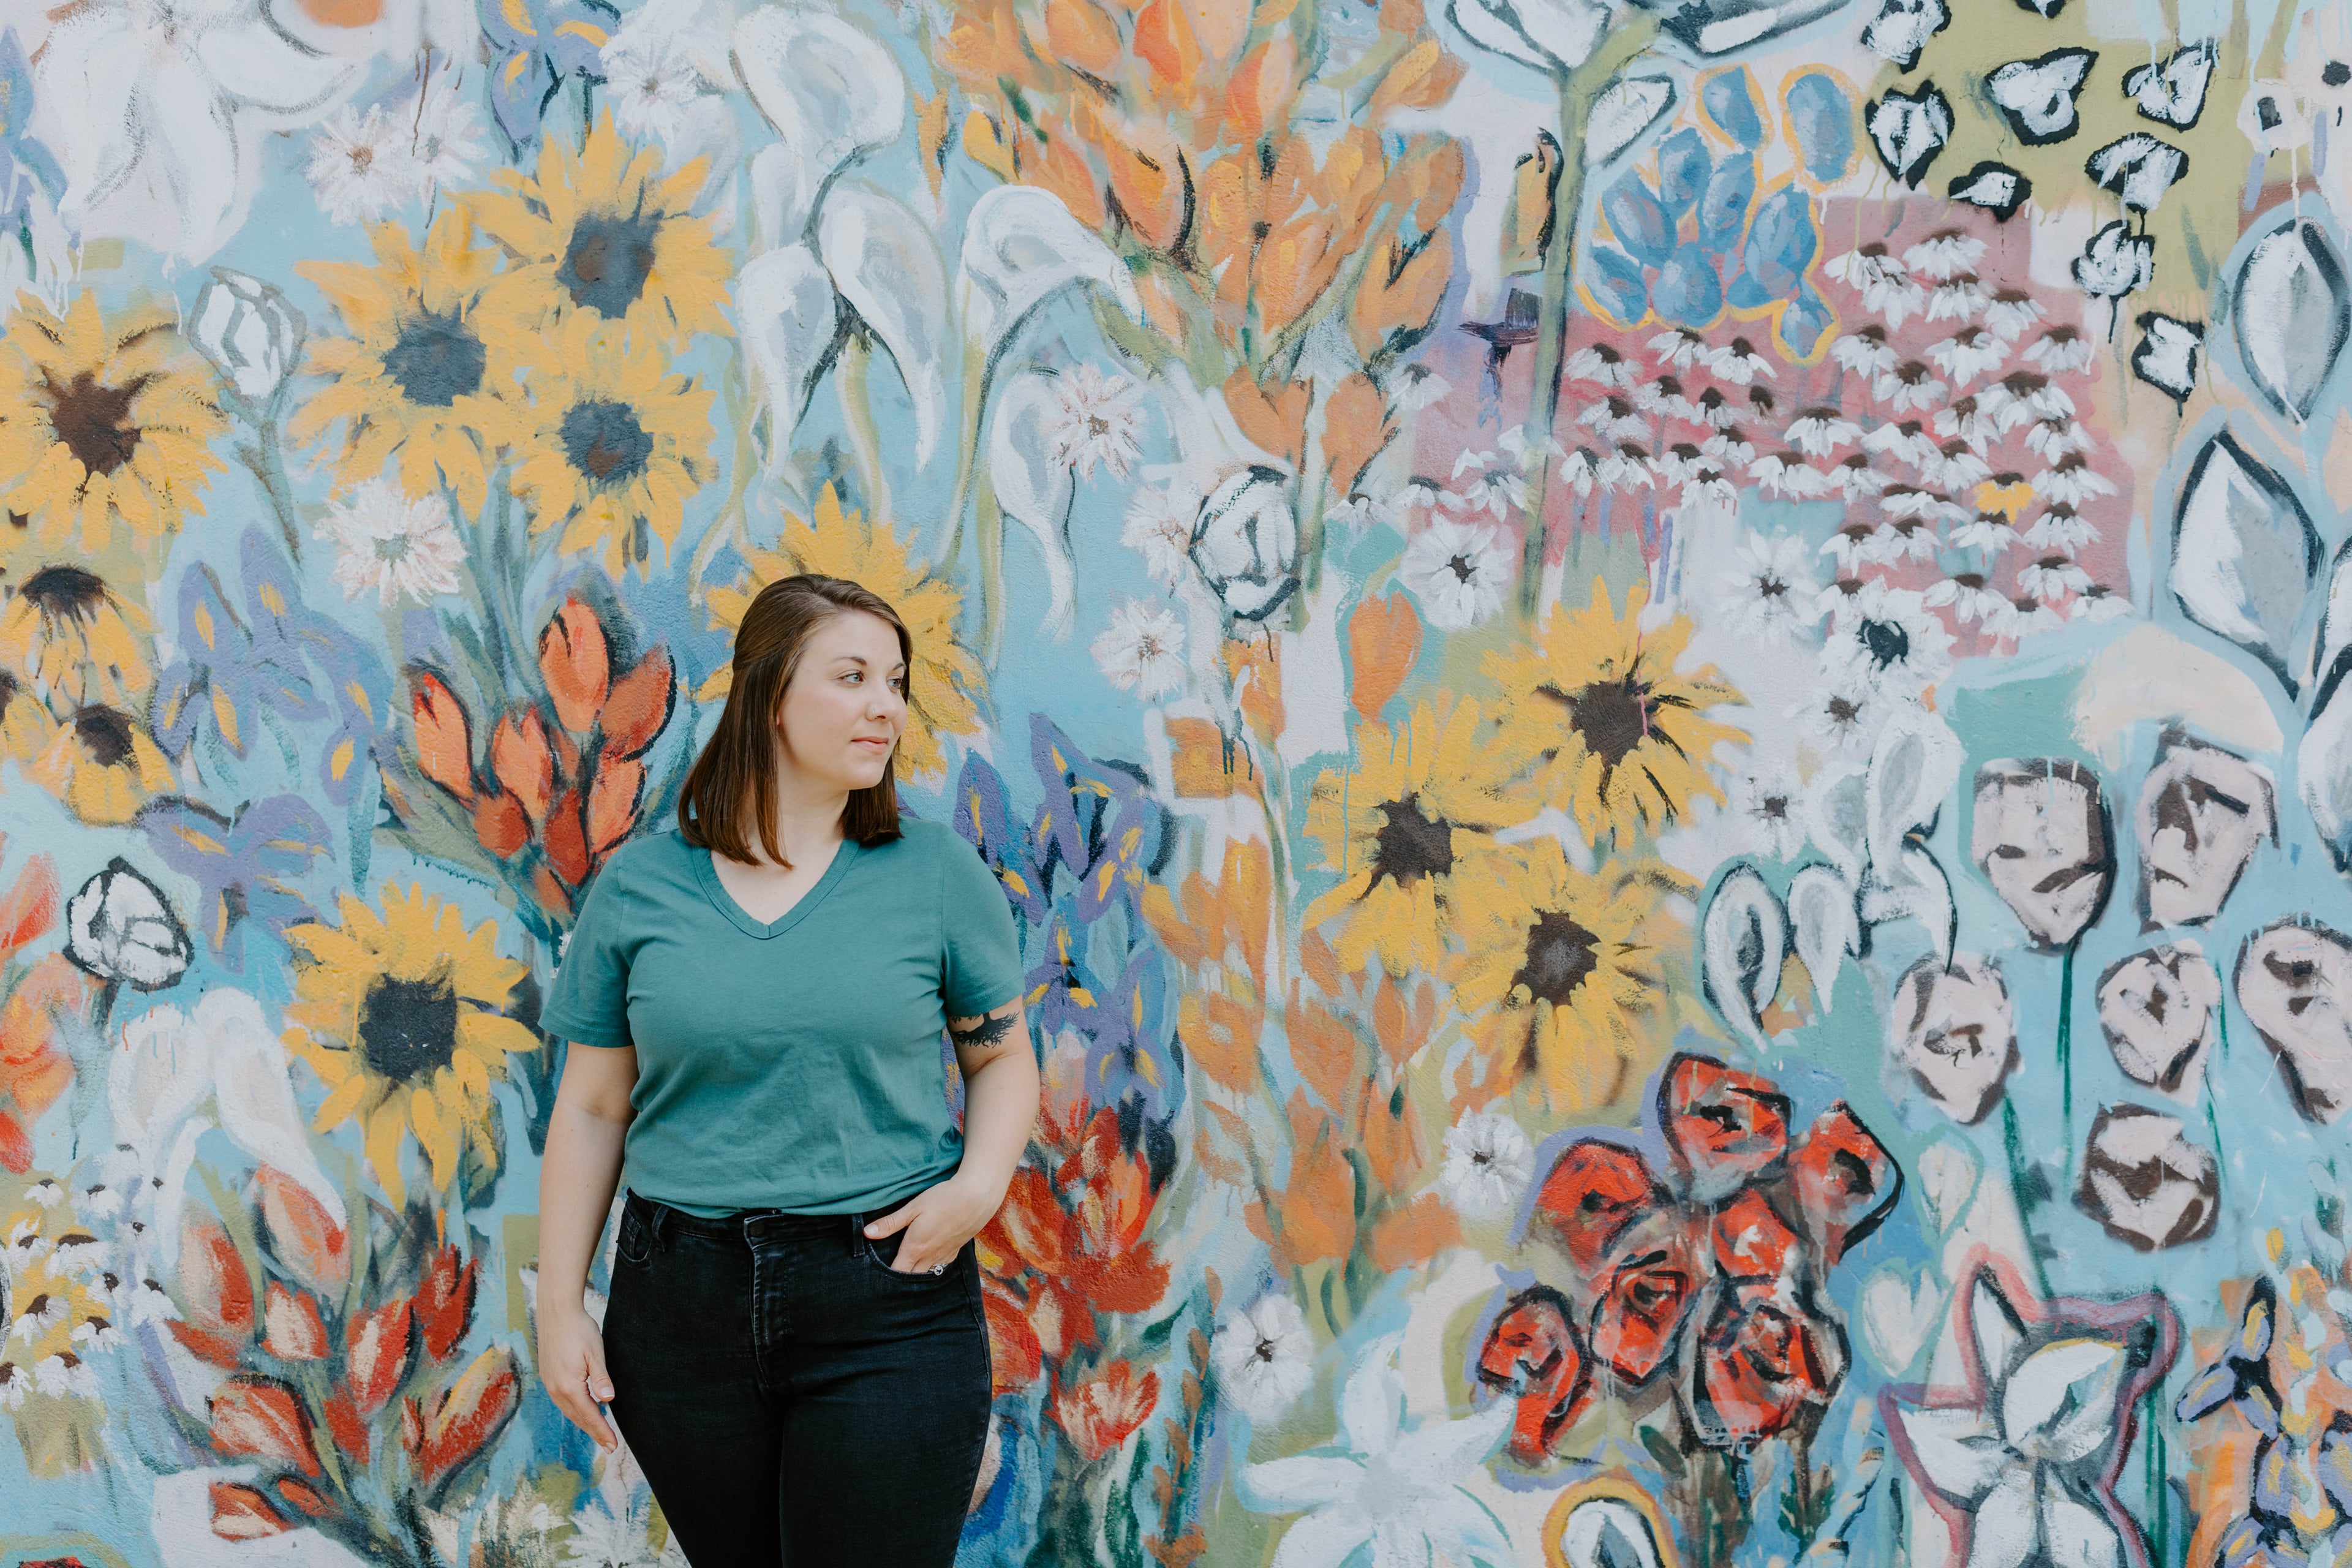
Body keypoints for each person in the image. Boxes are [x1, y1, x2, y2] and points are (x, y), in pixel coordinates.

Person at [533, 572, 1038, 1567]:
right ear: (768, 694)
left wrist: (979, 1187)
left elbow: (1002, 1058)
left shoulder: (935, 877)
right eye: (851, 677)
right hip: (677, 1314)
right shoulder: (641, 886)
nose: (885, 706)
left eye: (894, 682)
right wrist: (559, 1310)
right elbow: (592, 1109)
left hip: (887, 1299)